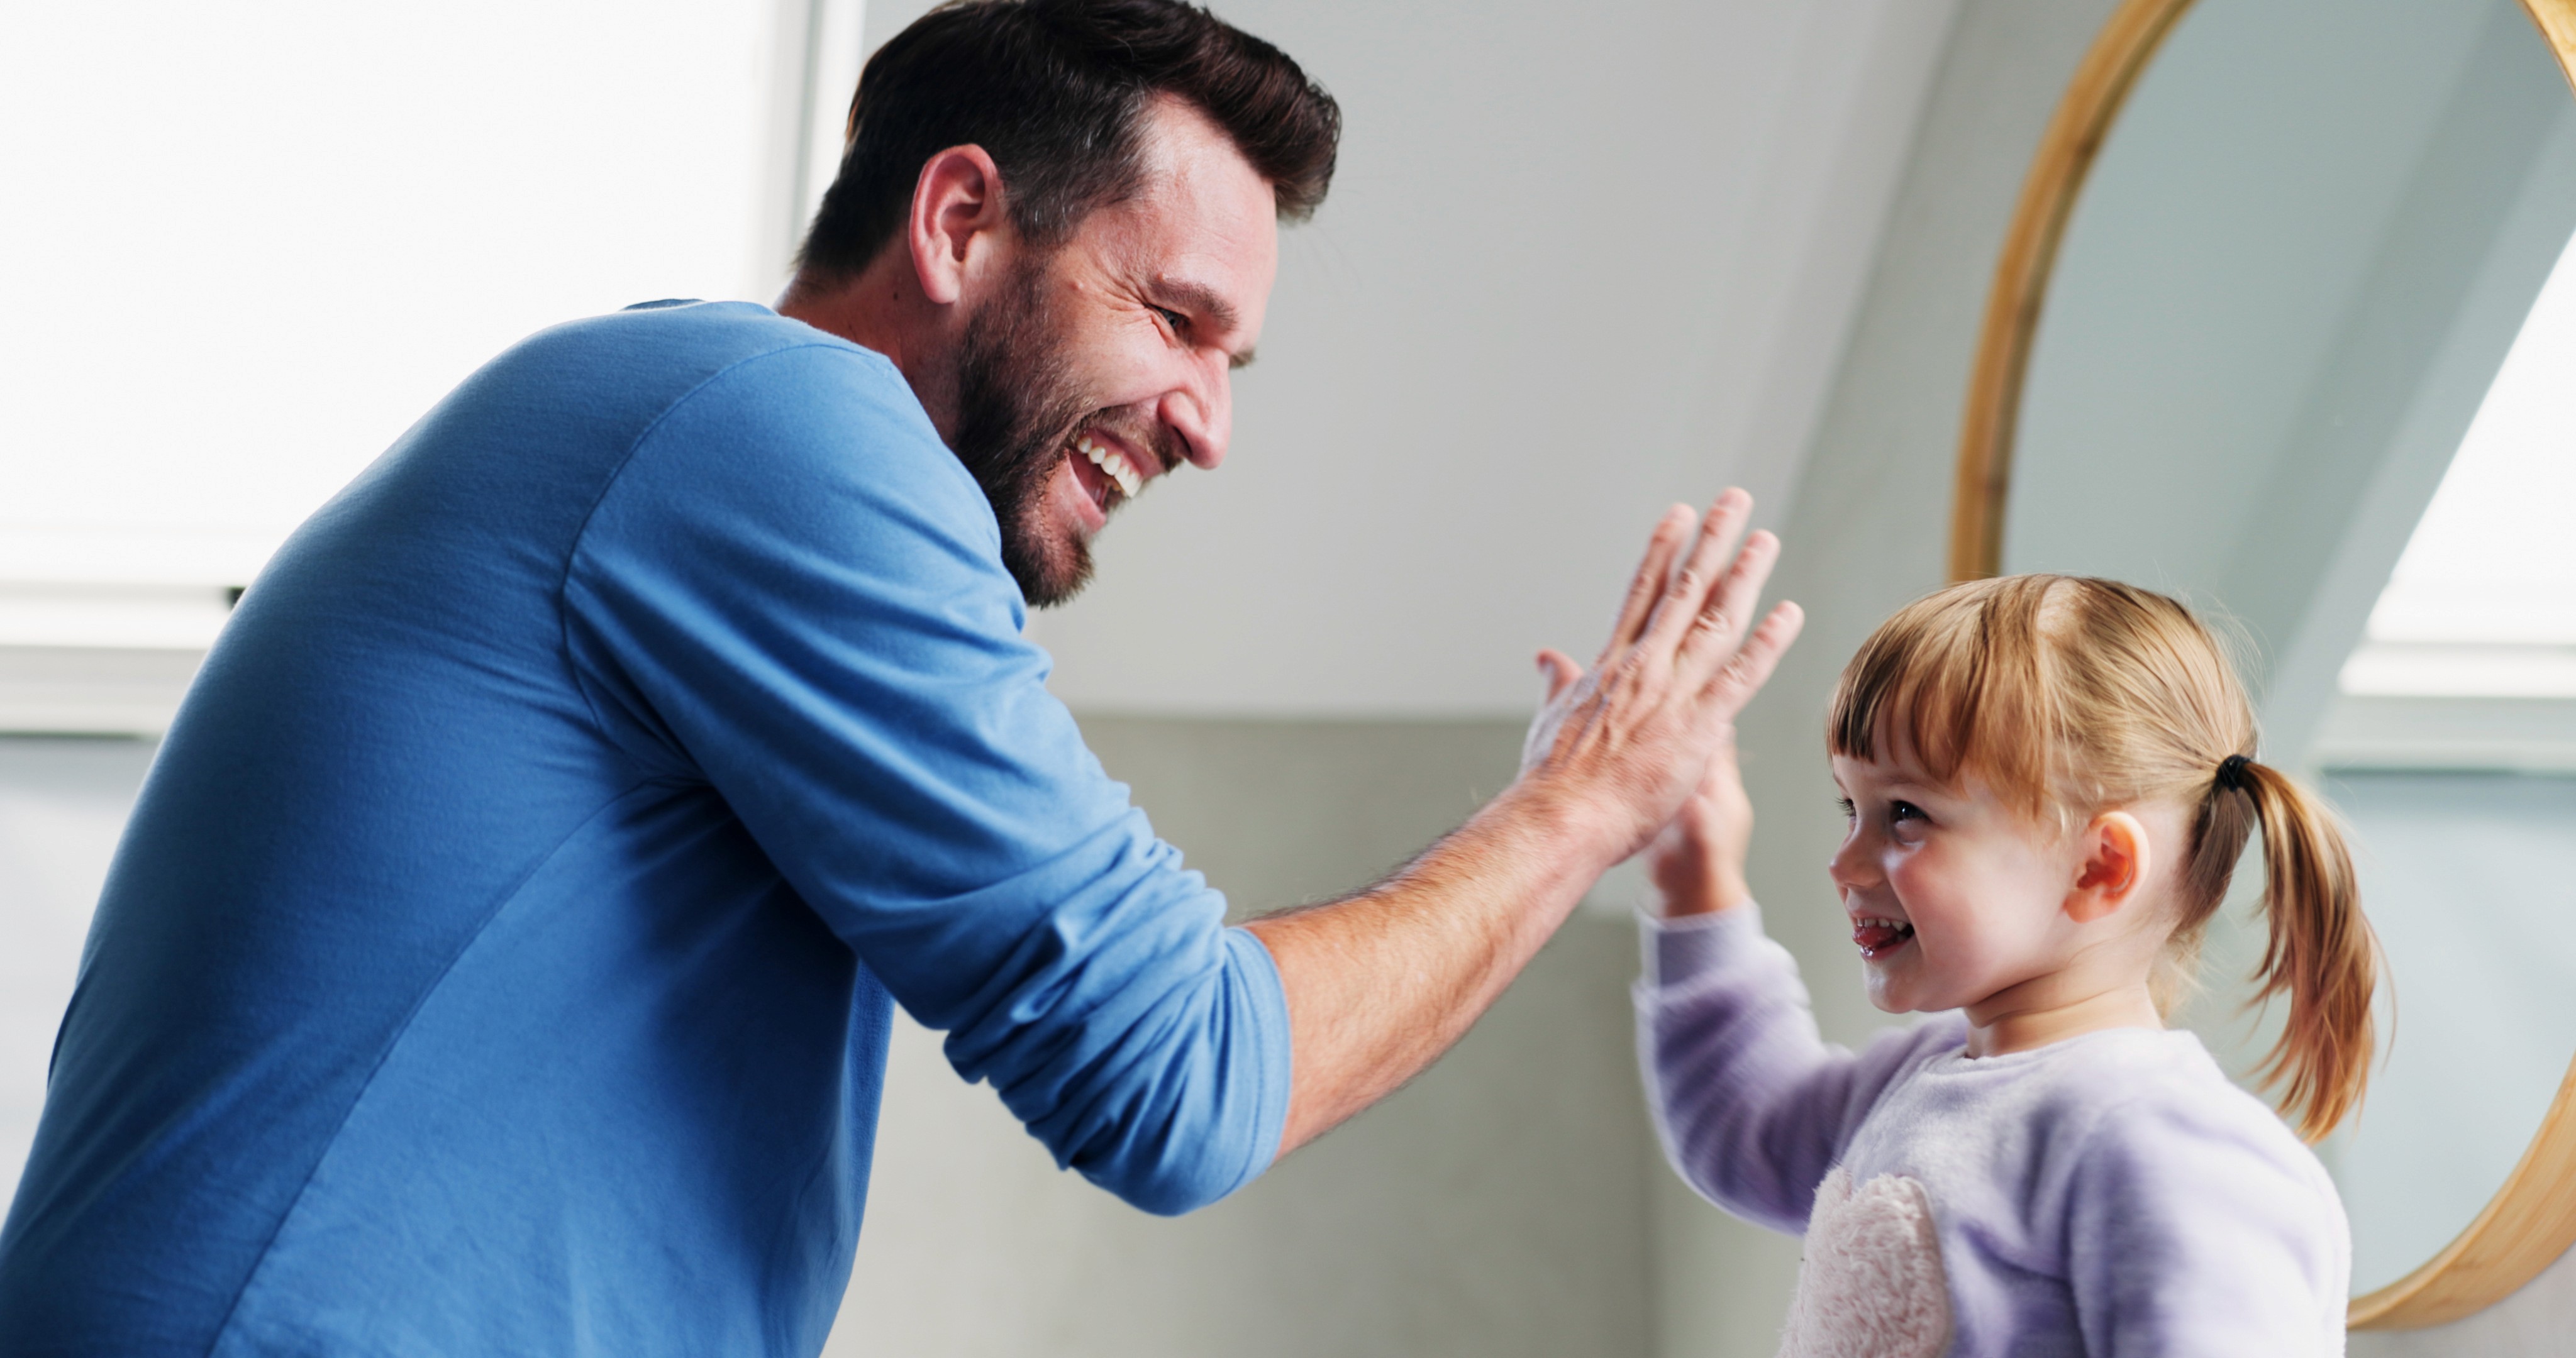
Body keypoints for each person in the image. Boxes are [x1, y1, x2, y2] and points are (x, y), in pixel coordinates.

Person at [0, 2, 1802, 1354]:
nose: (1211, 426)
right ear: (958, 223)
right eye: (1177, 319)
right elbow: (1177, 1071)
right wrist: (1585, 801)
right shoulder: (777, 425)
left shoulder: (703, 473)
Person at [1630, 574, 2378, 1356]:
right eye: (1851, 808)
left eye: (1906, 814)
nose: (1845, 863)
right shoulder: (1919, 1077)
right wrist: (1696, 878)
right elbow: (1750, 1130)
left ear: (2098, 869)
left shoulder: (2157, 1142)